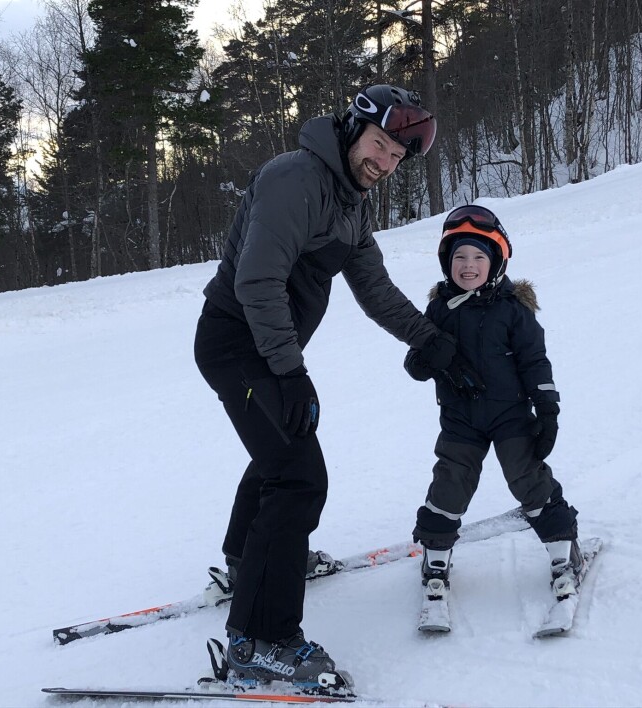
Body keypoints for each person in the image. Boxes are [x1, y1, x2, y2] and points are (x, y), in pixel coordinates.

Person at [194, 85, 474, 690]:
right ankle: (260, 640)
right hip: (239, 342)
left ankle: (248, 565)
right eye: (379, 145)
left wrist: (428, 340)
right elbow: (257, 280)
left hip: (266, 350)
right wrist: (289, 371)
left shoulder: (349, 203)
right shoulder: (296, 178)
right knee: (298, 477)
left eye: (397, 156)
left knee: (280, 455)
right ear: (351, 129)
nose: (385, 162)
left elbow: (373, 287)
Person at [404, 204, 582, 602]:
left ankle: (563, 548)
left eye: (478, 257)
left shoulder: (513, 309)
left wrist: (548, 409)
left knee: (528, 478)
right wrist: (430, 358)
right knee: (450, 483)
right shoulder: (439, 309)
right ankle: (436, 558)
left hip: (510, 416)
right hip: (459, 419)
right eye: (459, 257)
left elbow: (535, 361)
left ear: (496, 261)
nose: (468, 266)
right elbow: (415, 364)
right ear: (446, 262)